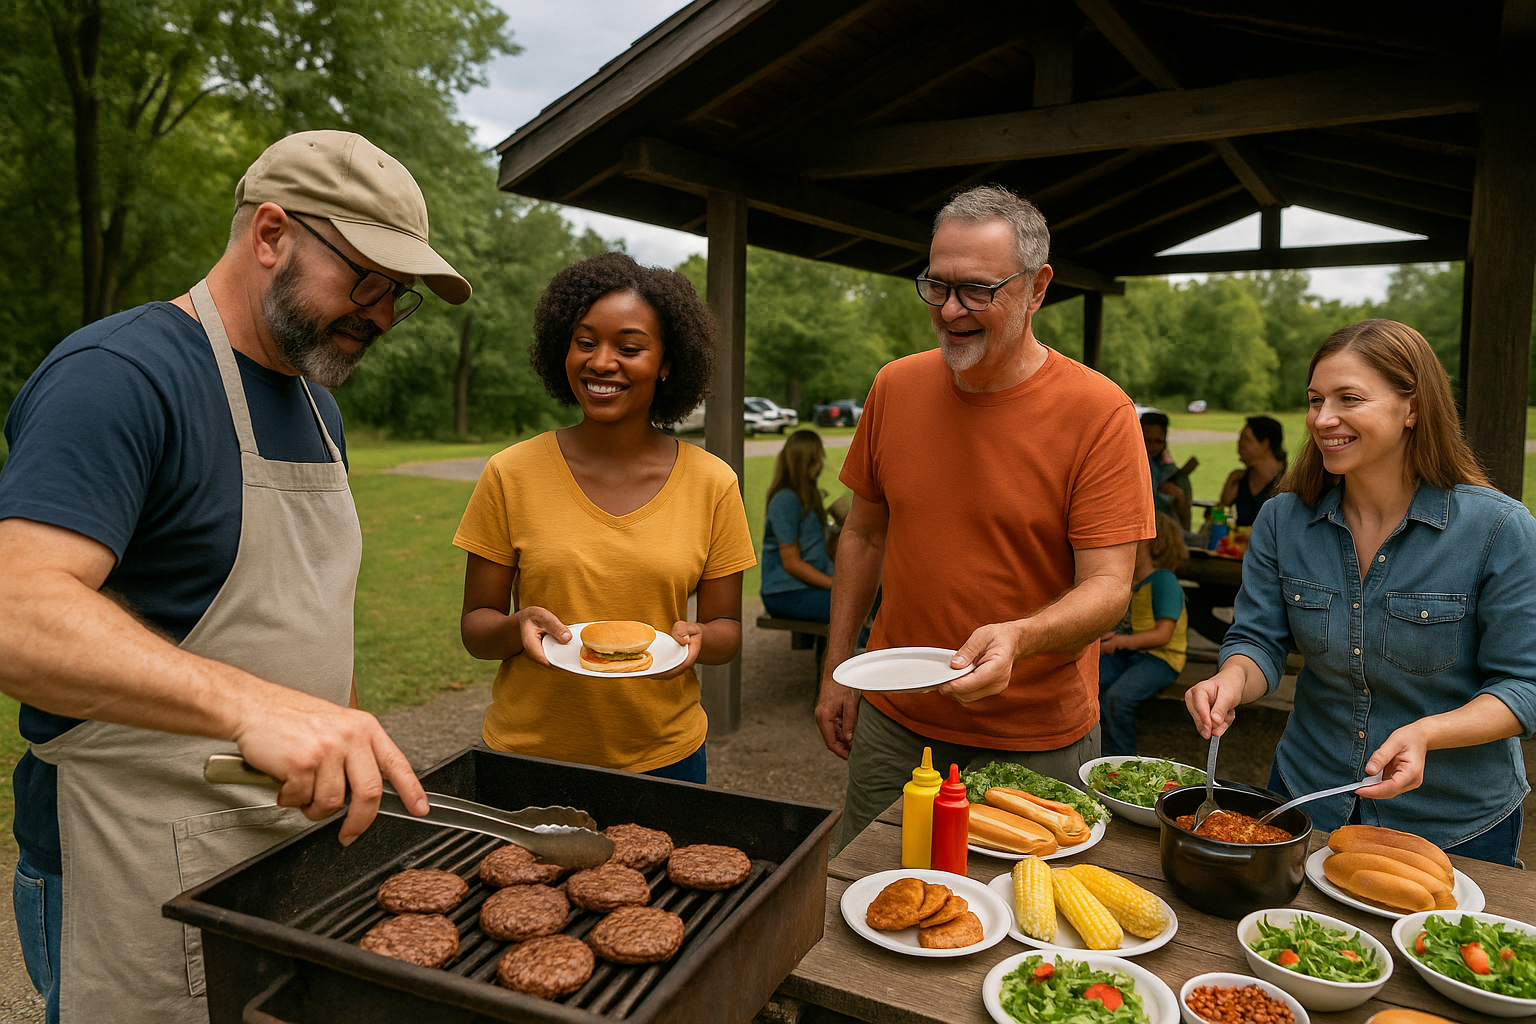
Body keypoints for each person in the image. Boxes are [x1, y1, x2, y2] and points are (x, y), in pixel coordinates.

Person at [0, 130, 453, 1024]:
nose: (382, 314)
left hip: (285, 848)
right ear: (272, 234)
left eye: (399, 294)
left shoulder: (318, 402)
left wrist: (348, 740)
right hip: (130, 867)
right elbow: (16, 611)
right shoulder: (120, 375)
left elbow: (312, 613)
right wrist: (252, 706)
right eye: (365, 279)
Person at [814, 184, 1154, 849]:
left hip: (1034, 735)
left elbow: (1111, 588)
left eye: (976, 291)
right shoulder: (895, 387)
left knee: (1019, 930)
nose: (949, 310)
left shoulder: (1100, 412)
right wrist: (836, 667)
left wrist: (1021, 637)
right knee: (869, 901)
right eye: (936, 286)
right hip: (895, 719)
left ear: (1037, 288)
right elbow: (863, 533)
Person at [1186, 320, 1536, 866]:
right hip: (1306, 797)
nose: (1323, 419)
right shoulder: (1283, 519)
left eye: (1349, 398)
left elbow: (1524, 685)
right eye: (1315, 400)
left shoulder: (1497, 529)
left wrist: (1428, 733)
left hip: (1454, 823)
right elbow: (1259, 640)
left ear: (1412, 408)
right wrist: (1230, 679)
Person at [454, 251, 756, 784]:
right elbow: (478, 628)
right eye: (586, 342)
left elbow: (726, 629)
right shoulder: (510, 473)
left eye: (630, 348)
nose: (601, 362)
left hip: (666, 758)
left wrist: (702, 638)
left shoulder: (713, 483)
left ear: (667, 363)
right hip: (530, 758)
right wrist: (516, 626)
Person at [1098, 513, 1189, 757]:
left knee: (1117, 698)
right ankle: (1098, 752)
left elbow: (1163, 635)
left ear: (1150, 541)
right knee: (1092, 680)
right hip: (1132, 654)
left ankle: (1121, 760)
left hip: (1161, 659)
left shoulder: (1163, 581)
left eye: (1132, 538)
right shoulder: (1132, 584)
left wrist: (1118, 642)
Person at [760, 430, 835, 623]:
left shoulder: (808, 496)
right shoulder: (785, 500)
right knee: (853, 608)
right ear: (806, 461)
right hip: (786, 593)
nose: (822, 463)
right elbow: (792, 563)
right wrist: (834, 585)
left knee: (874, 598)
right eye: (818, 457)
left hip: (807, 588)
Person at [1218, 415, 1286, 526]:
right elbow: (1217, 521)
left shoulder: (1289, 484)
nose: (1240, 445)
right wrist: (1223, 506)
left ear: (1265, 443)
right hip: (1240, 542)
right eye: (1240, 438)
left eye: (1246, 439)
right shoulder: (1237, 479)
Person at [1141, 410, 1197, 528]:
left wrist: (1179, 496)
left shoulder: (1166, 467)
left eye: (1158, 441)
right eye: (1147, 440)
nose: (1152, 447)